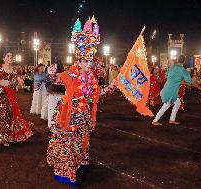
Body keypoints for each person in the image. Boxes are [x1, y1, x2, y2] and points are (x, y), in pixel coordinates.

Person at [47, 16, 117, 186]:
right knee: (69, 143)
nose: (89, 64)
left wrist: (112, 86)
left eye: (90, 61)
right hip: (69, 115)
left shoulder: (92, 78)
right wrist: (51, 73)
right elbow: (57, 79)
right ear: (79, 60)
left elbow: (97, 94)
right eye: (86, 61)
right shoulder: (72, 73)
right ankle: (66, 172)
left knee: (82, 140)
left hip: (83, 115)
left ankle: (81, 163)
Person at [0, 51, 33, 147]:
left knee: (9, 116)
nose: (10, 57)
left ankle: (4, 138)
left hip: (10, 96)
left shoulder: (14, 70)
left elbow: (19, 82)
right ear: (4, 58)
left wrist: (21, 82)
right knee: (0, 115)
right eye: (8, 56)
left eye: (11, 56)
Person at [152, 55, 193, 126]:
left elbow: (166, 76)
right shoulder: (183, 70)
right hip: (171, 92)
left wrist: (177, 80)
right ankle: (155, 120)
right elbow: (189, 81)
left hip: (167, 89)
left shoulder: (171, 67)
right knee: (166, 105)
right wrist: (182, 81)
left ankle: (172, 120)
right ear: (184, 61)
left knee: (178, 103)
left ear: (177, 59)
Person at [46, 59, 65, 127]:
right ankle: (56, 124)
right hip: (60, 91)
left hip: (54, 91)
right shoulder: (64, 73)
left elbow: (50, 78)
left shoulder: (52, 70)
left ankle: (52, 124)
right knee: (59, 108)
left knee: (53, 108)